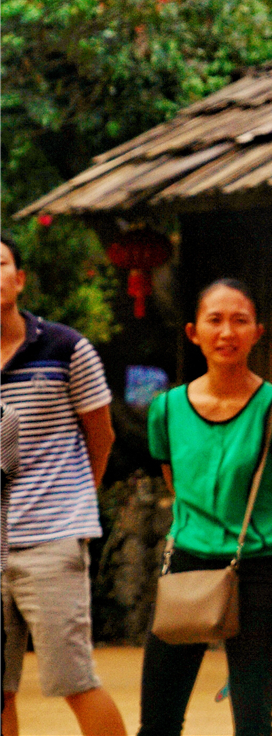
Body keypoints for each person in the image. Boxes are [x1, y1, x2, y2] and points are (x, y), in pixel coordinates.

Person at [139, 280, 272, 736]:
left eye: (240, 321)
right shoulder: (166, 410)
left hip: (257, 570)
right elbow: (178, 486)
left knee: (253, 721)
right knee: (158, 719)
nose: (227, 332)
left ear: (258, 332)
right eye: (214, 320)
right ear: (193, 332)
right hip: (187, 565)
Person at [0, 234, 125, 736]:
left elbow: (101, 434)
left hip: (52, 541)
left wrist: (75, 502)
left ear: (19, 279)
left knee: (74, 680)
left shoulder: (66, 348)